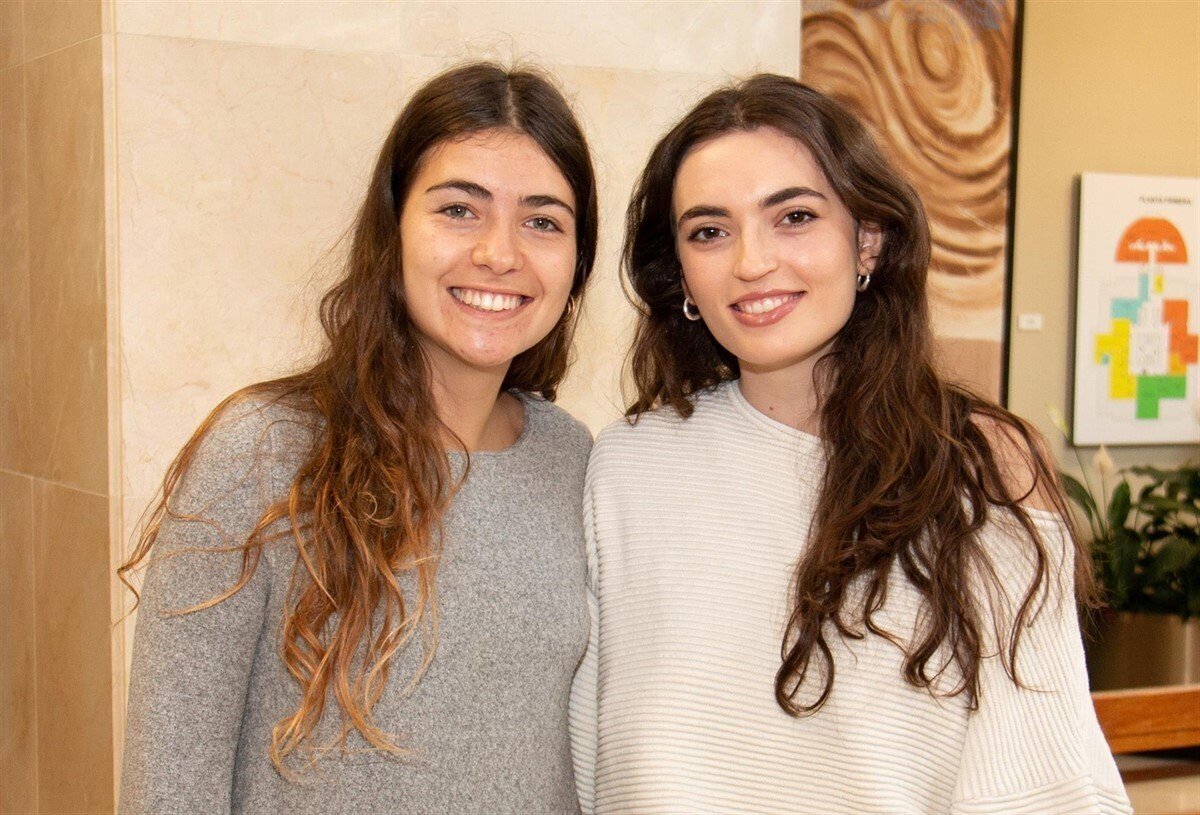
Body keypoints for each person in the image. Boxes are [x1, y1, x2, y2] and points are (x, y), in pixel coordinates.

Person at [569, 74, 1130, 815]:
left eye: (794, 216)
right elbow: (592, 762)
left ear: (868, 238)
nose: (751, 261)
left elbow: (1043, 775)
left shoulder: (981, 465)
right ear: (681, 275)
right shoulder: (628, 465)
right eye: (709, 231)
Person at [119, 62, 598, 815]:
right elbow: (169, 782)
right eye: (459, 210)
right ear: (392, 229)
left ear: (577, 262)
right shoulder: (262, 452)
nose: (500, 253)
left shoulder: (573, 461)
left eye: (543, 221)